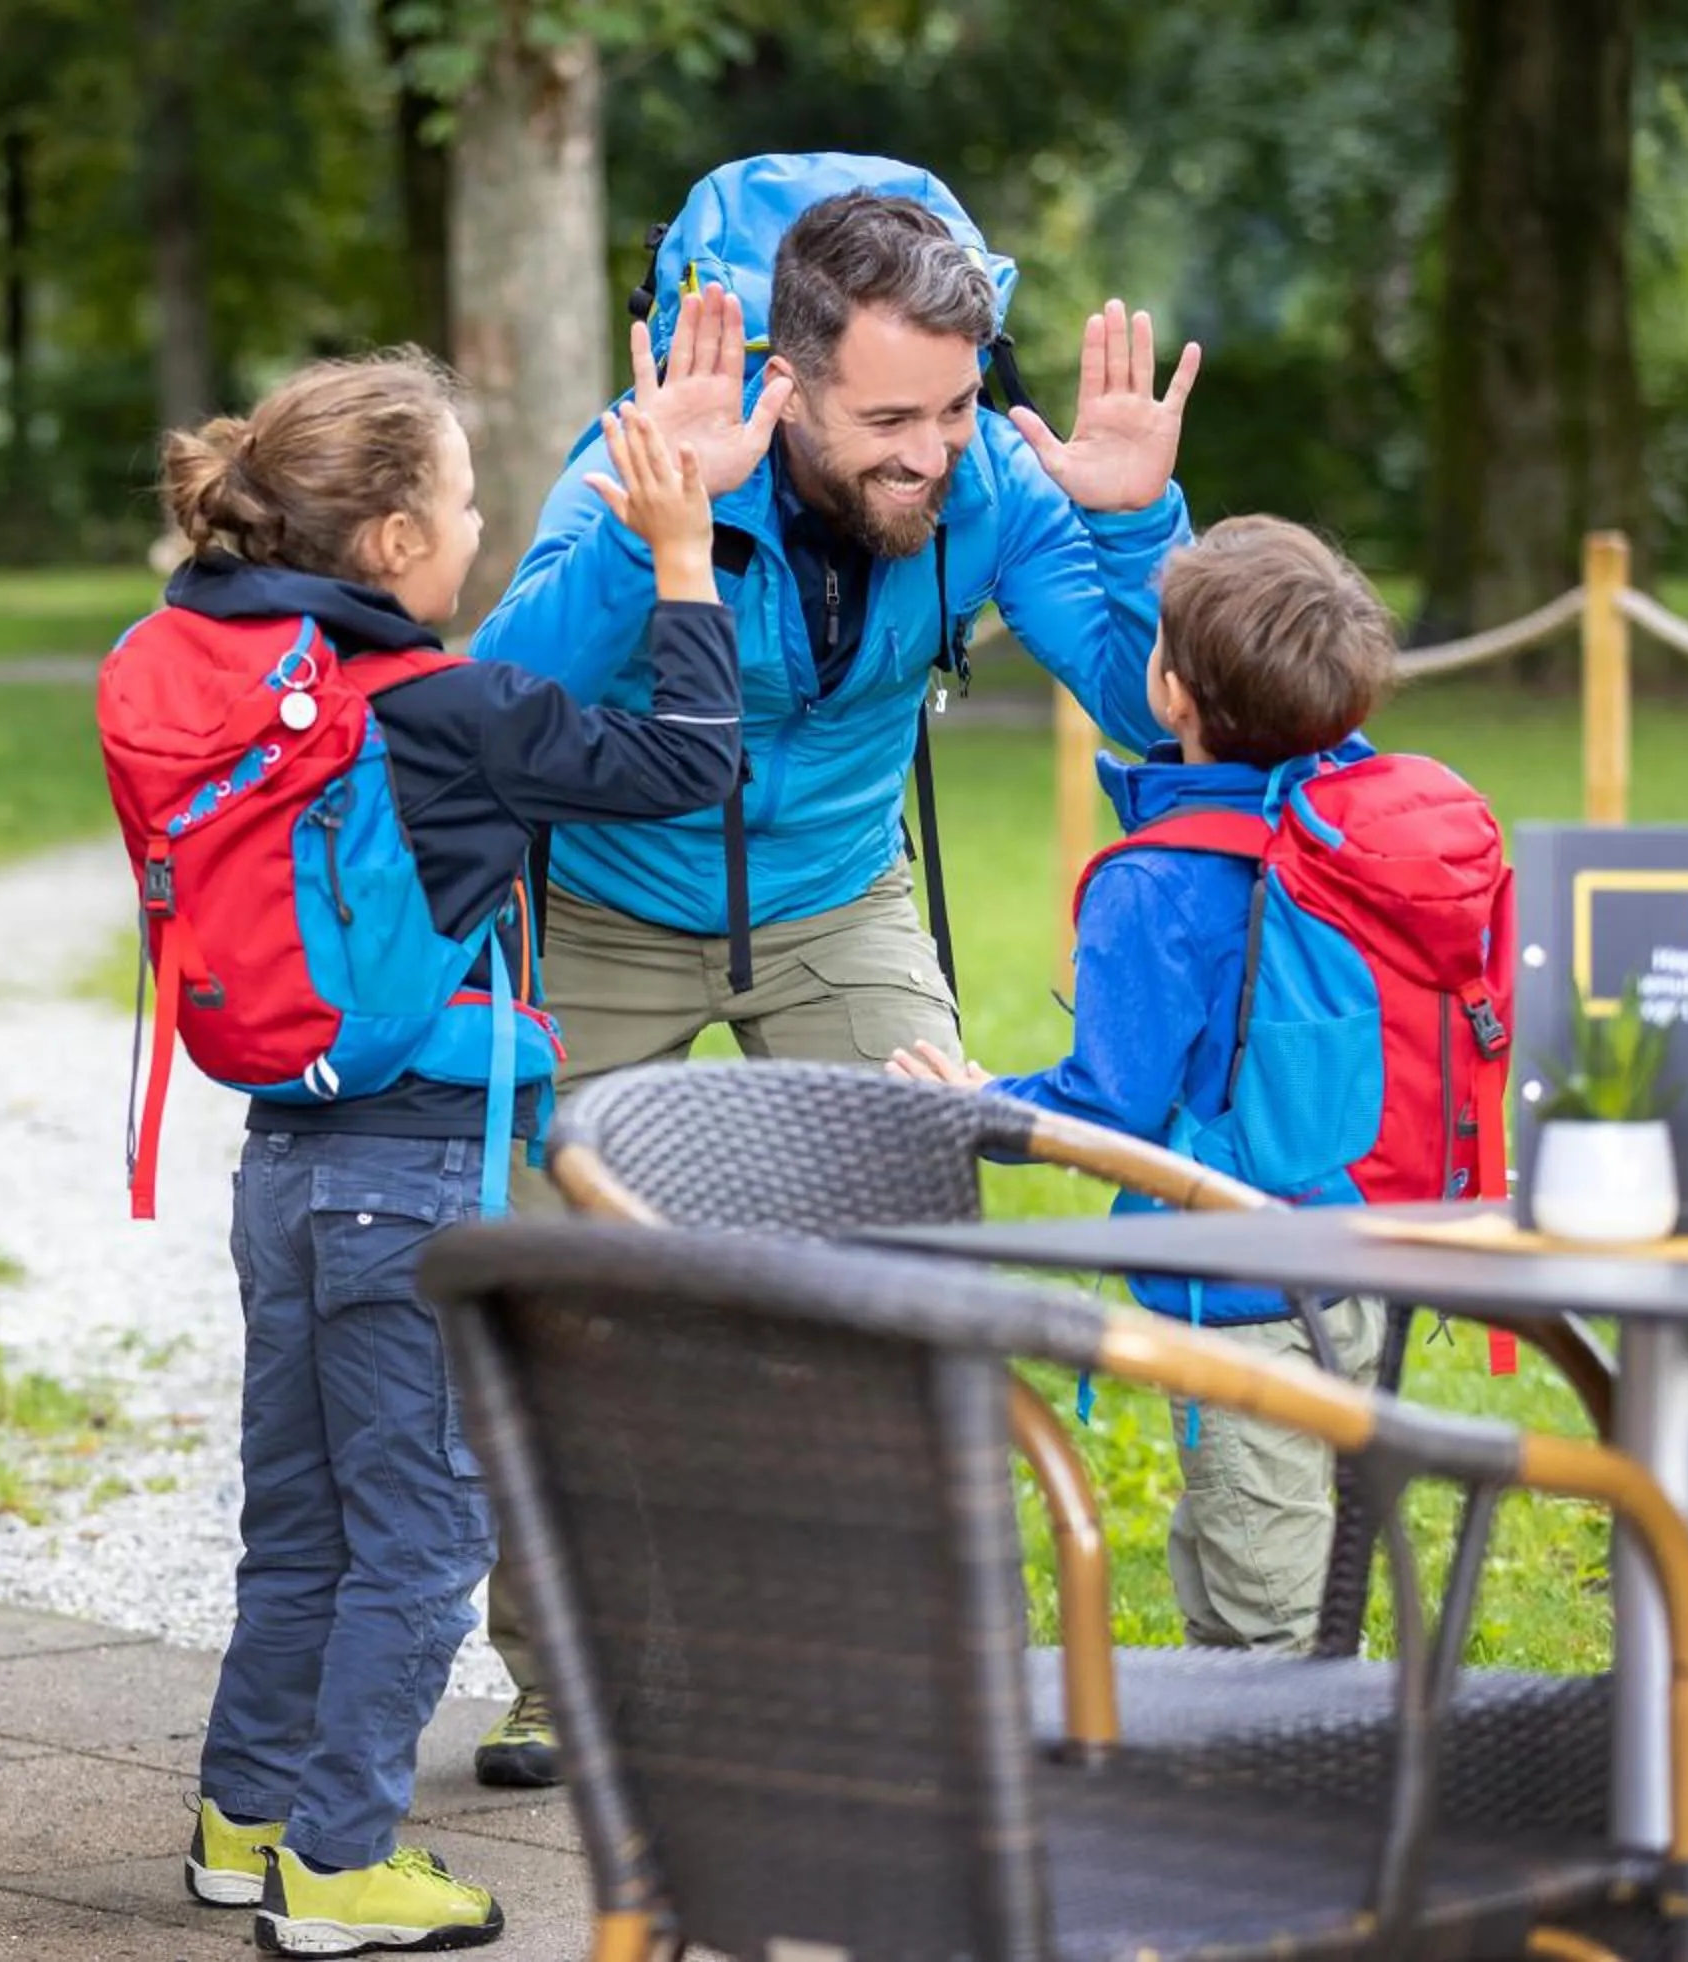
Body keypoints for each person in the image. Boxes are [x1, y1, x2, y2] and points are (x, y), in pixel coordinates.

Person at [459, 158, 1203, 1787]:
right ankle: (569, 1673)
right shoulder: (645, 457)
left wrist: (1140, 521)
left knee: (916, 1248)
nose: (929, 453)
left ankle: (909, 1650)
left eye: (951, 407)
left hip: (838, 896)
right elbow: (496, 709)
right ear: (784, 382)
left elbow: (1161, 707)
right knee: (564, 1293)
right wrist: (668, 523)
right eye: (890, 422)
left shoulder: (991, 484)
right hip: (604, 900)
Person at [111, 351, 760, 1954]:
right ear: (397, 542)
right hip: (412, 1175)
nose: (477, 524)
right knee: (424, 1533)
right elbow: (692, 766)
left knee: (307, 1515)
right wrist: (685, 561)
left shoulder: (208, 665)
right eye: (467, 499)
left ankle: (241, 1814)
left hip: (277, 1159)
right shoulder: (452, 712)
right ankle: (338, 1863)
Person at [891, 515, 1472, 1652]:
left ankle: (1306, 1801)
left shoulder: (1152, 885)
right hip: (1366, 1258)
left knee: (1273, 1618)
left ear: (1168, 689)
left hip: (1244, 1292)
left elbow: (1113, 1110)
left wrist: (975, 1110)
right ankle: (1258, 1768)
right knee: (1242, 1563)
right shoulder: (1350, 824)